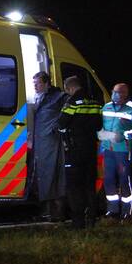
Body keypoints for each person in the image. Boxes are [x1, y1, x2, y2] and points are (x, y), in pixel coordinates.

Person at [59, 76, 103, 228]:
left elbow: (61, 123)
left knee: (74, 187)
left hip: (75, 150)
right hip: (91, 150)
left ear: (69, 88)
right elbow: (98, 126)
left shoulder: (71, 103)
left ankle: (78, 223)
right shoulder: (95, 103)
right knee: (89, 186)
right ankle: (91, 220)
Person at [98, 82, 132, 220]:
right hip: (108, 149)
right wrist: (100, 133)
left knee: (124, 180)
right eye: (113, 91)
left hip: (123, 150)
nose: (114, 94)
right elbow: (101, 125)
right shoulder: (106, 107)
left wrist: (124, 135)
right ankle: (112, 210)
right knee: (108, 179)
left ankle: (127, 211)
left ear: (125, 94)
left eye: (117, 92)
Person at [29, 71, 68, 221]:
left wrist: (57, 128)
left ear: (47, 83)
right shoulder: (39, 98)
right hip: (41, 144)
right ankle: (47, 211)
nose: (35, 86)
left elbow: (68, 112)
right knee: (43, 176)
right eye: (34, 84)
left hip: (52, 144)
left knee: (55, 177)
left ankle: (57, 212)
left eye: (38, 83)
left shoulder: (58, 97)